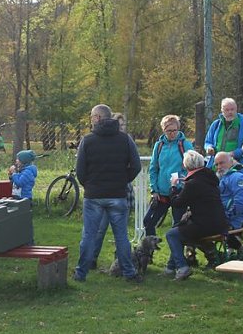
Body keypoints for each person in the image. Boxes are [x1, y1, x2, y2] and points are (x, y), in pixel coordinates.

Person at [72, 104, 142, 283]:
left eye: (91, 116)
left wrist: (88, 184)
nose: (90, 119)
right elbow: (136, 166)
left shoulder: (87, 140)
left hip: (94, 194)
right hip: (118, 194)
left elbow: (80, 170)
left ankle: (81, 273)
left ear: (97, 118)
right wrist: (123, 181)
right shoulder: (125, 139)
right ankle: (129, 272)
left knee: (89, 235)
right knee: (121, 236)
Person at [164, 150, 230, 278]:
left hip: (205, 225)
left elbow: (177, 203)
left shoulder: (193, 184)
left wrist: (173, 187)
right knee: (179, 231)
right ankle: (170, 268)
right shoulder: (209, 179)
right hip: (220, 223)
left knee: (172, 234)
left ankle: (182, 267)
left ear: (186, 166)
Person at [143, 115, 193, 238]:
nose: (172, 133)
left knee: (178, 226)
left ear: (178, 129)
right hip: (162, 193)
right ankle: (149, 251)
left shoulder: (185, 145)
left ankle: (176, 256)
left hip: (179, 192)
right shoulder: (159, 146)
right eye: (168, 131)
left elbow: (192, 168)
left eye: (174, 130)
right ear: (163, 130)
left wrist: (183, 183)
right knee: (148, 221)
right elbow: (153, 168)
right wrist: (154, 189)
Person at [214, 151, 243, 259]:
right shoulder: (223, 178)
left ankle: (212, 255)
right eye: (216, 164)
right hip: (222, 216)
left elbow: (241, 203)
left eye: (222, 163)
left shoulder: (237, 177)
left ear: (231, 162)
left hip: (233, 218)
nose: (219, 167)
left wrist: (227, 217)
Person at [204, 98, 243, 164]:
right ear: (222, 111)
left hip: (237, 164)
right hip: (216, 163)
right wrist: (209, 148)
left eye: (232, 109)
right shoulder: (216, 124)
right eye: (227, 110)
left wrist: (233, 154)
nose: (230, 112)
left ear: (236, 109)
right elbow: (208, 141)